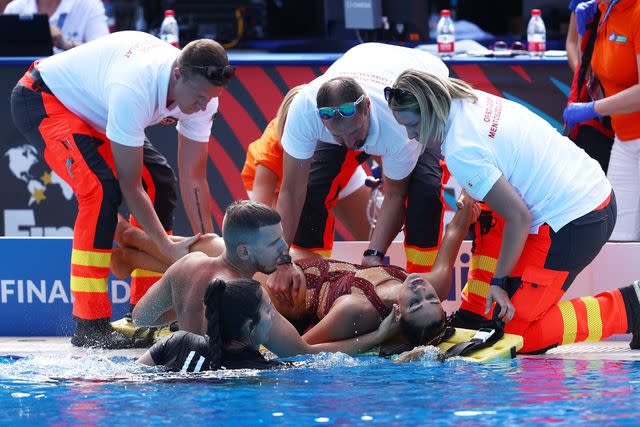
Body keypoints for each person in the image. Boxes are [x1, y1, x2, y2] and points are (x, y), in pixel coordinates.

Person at [385, 69, 640, 352]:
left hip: (575, 220)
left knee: (516, 337)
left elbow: (519, 217)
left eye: (414, 125)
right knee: (488, 217)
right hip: (590, 195)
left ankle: (630, 308)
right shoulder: (467, 99)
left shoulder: (460, 150)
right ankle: (474, 311)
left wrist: (500, 281)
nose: (411, 136)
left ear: (431, 108)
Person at [10, 31, 234, 348]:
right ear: (177, 75)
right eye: (199, 97)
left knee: (161, 183)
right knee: (101, 190)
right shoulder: (135, 88)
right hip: (45, 99)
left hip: (98, 109)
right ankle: (90, 324)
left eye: (211, 98)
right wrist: (168, 250)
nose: (203, 106)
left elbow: (194, 177)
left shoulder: (203, 95)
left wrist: (212, 256)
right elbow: (130, 188)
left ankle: (144, 314)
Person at [122, 191, 477, 353]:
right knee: (220, 250)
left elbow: (303, 347)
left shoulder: (357, 310)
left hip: (289, 296)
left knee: (215, 249)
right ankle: (138, 250)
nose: (424, 292)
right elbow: (303, 355)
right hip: (302, 272)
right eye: (432, 297)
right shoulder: (426, 284)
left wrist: (385, 336)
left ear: (401, 314)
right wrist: (465, 210)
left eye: (418, 303)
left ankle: (138, 246)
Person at [270, 43, 451, 308]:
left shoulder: (397, 127)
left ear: (366, 107)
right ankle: (311, 290)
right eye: (338, 136)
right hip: (364, 59)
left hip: (425, 85)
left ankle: (423, 297)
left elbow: (395, 195)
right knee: (312, 190)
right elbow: (290, 192)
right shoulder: (304, 111)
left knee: (424, 193)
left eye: (355, 133)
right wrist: (281, 261)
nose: (349, 142)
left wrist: (374, 256)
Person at [137, 277, 400, 372]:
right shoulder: (268, 371)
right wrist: (380, 336)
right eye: (269, 309)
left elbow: (131, 375)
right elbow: (329, 359)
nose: (274, 316)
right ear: (250, 327)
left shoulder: (179, 341)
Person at [241, 85, 371, 240]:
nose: (307, 133)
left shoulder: (344, 130)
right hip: (280, 187)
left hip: (337, 174)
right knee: (280, 238)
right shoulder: (271, 150)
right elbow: (258, 219)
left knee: (371, 235)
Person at [564, 0, 640, 241]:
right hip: (625, 137)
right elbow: (592, 67)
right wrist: (583, 35)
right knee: (618, 236)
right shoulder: (602, 10)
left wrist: (593, 108)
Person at [4, 0, 109, 53]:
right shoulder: (15, 8)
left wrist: (66, 45)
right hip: (22, 83)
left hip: (71, 85)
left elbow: (104, 53)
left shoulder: (90, 5)